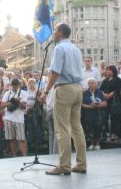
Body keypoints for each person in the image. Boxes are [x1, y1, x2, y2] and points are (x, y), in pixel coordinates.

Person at [40, 23, 87, 176]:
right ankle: (81, 164)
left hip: (65, 88)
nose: (53, 33)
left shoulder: (59, 48)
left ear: (60, 32)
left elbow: (55, 72)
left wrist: (46, 92)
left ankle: (64, 165)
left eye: (55, 31)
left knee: (62, 129)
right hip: (78, 88)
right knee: (76, 127)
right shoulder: (76, 49)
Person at [1, 78, 28, 157]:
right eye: (13, 86)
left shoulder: (24, 93)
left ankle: (24, 156)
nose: (15, 88)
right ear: (11, 85)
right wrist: (12, 101)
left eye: (16, 86)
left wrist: (18, 102)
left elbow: (24, 107)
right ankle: (14, 156)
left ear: (19, 85)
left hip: (19, 119)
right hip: (8, 118)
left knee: (21, 139)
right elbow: (2, 106)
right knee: (11, 138)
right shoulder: (7, 93)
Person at [100, 65, 121, 141]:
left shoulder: (118, 79)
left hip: (115, 101)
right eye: (107, 70)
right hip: (105, 101)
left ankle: (114, 134)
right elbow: (100, 89)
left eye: (110, 70)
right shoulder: (105, 80)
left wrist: (111, 94)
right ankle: (104, 133)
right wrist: (104, 94)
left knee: (115, 118)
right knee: (104, 117)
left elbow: (118, 89)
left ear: (113, 71)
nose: (108, 72)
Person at [82, 78, 107, 150]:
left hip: (98, 114)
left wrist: (98, 104)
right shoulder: (85, 93)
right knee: (89, 129)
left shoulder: (99, 92)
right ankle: (92, 143)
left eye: (92, 83)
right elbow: (82, 104)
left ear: (96, 84)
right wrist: (89, 106)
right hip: (88, 114)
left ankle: (98, 143)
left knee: (98, 128)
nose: (90, 84)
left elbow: (105, 103)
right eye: (89, 83)